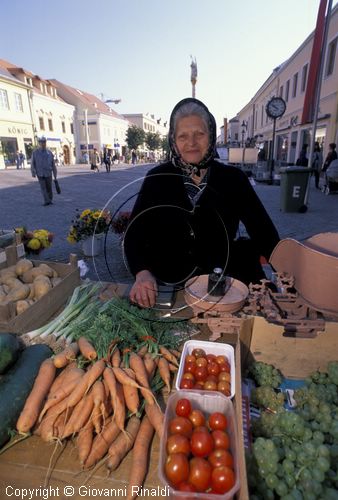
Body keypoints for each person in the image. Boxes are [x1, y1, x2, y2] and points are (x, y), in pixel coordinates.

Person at [124, 97, 280, 308]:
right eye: (183, 136)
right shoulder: (157, 179)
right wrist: (142, 273)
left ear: (211, 136)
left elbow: (265, 233)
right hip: (169, 286)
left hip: (221, 288)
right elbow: (134, 235)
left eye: (199, 134)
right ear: (173, 140)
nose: (191, 142)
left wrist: (289, 274)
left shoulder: (234, 179)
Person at [31, 137, 57, 206]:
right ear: (39, 143)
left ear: (46, 143)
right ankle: (46, 200)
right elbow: (32, 163)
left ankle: (50, 200)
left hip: (48, 173)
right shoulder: (35, 152)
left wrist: (55, 174)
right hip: (40, 173)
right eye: (41, 142)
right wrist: (33, 172)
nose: (43, 144)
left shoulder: (49, 152)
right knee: (43, 188)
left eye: (44, 142)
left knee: (49, 188)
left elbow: (53, 164)